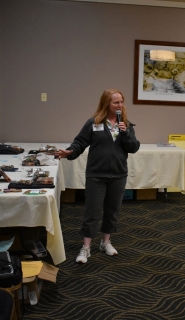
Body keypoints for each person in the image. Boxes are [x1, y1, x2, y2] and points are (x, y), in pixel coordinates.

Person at [55, 88, 140, 263]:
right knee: (92, 211)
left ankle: (105, 242)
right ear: (106, 104)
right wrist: (69, 152)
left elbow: (134, 147)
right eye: (116, 102)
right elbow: (80, 142)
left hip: (118, 175)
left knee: (112, 210)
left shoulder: (126, 124)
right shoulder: (93, 123)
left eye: (121, 102)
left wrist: (125, 134)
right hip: (96, 174)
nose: (119, 105)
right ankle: (86, 247)